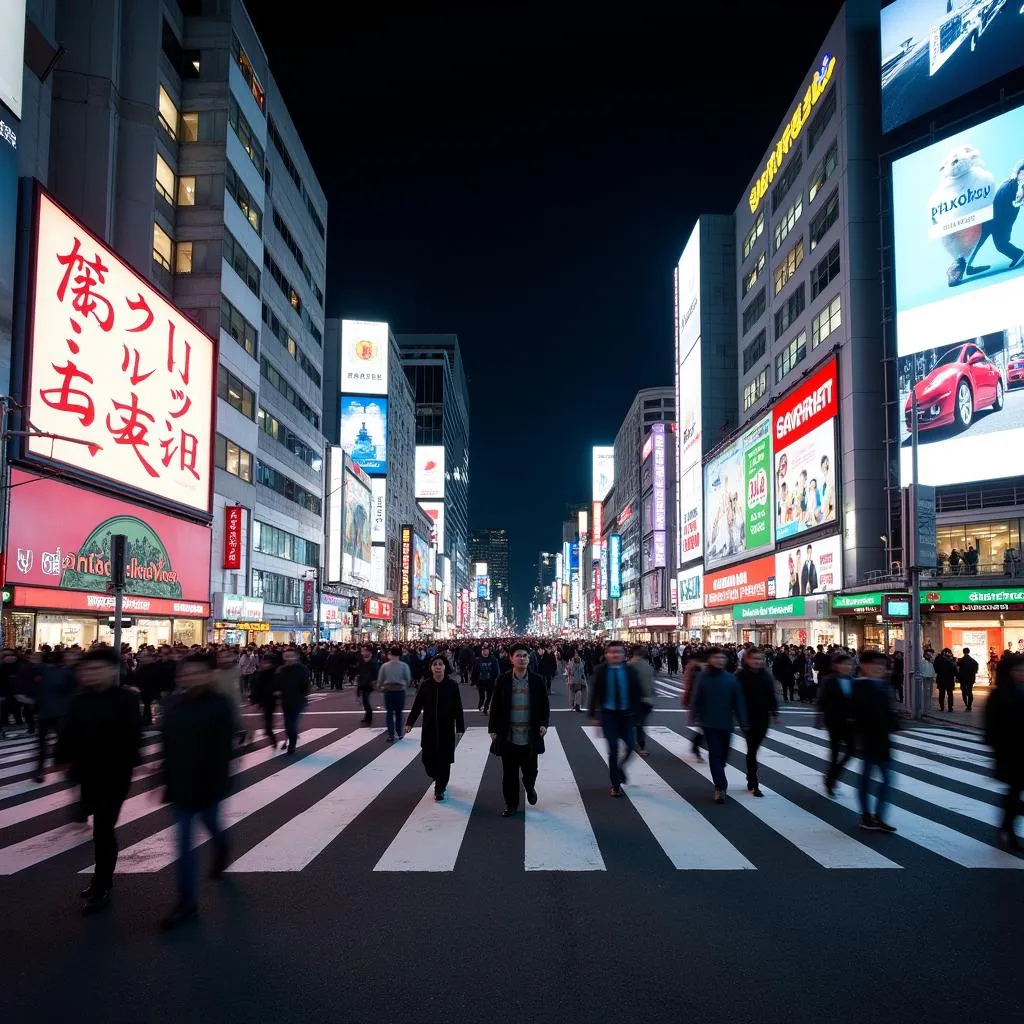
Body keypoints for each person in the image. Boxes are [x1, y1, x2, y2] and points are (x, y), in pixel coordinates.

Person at [54, 647, 142, 916]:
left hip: (114, 776)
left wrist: (128, 764)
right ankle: (99, 882)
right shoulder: (79, 700)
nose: (89, 673)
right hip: (86, 774)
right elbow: (66, 732)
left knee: (103, 830)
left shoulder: (125, 700)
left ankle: (101, 884)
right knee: (97, 830)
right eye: (86, 669)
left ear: (111, 670)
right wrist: (62, 759)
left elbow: (132, 739)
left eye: (96, 668)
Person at [158, 653, 234, 930]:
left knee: (212, 825)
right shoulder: (173, 704)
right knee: (183, 844)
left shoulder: (220, 704)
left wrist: (217, 781)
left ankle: (222, 850)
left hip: (209, 782)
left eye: (197, 672)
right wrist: (163, 776)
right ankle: (186, 901)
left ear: (209, 674)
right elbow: (167, 742)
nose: (191, 677)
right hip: (180, 783)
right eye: (186, 672)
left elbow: (224, 749)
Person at [488, 643, 549, 816]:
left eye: (525, 656)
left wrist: (544, 723)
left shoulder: (537, 680)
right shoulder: (502, 680)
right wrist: (492, 729)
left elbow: (545, 705)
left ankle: (529, 787)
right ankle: (511, 805)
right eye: (518, 655)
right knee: (509, 774)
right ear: (511, 658)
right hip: (509, 735)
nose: (522, 658)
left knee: (531, 771)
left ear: (529, 659)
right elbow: (496, 705)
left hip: (530, 735)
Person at [690, 648, 747, 804]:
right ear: (709, 660)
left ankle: (719, 772)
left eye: (722, 658)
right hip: (709, 723)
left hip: (727, 723)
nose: (719, 660)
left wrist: (743, 721)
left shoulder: (731, 679)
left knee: (723, 756)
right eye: (716, 657)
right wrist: (693, 715)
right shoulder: (702, 677)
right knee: (715, 754)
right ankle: (720, 787)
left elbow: (738, 701)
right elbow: (697, 697)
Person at [405, 655, 466, 800]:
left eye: (441, 664)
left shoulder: (452, 685)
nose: (438, 666)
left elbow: (458, 707)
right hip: (429, 729)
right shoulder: (425, 685)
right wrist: (409, 722)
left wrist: (460, 728)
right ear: (431, 667)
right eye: (435, 664)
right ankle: (435, 776)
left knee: (444, 762)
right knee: (428, 760)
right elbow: (417, 705)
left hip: (446, 729)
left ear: (445, 667)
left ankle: (440, 788)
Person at [851, 650, 899, 833]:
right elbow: (854, 714)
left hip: (883, 740)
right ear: (863, 665)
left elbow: (888, 711)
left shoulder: (883, 685)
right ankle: (866, 815)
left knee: (886, 779)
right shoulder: (859, 686)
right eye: (875, 664)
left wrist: (896, 727)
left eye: (882, 665)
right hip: (867, 739)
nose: (879, 668)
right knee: (867, 778)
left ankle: (877, 816)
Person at [589, 641, 643, 796]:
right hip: (608, 715)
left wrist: (638, 716)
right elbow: (594, 693)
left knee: (631, 746)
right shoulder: (600, 670)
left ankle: (620, 768)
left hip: (626, 715)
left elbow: (637, 694)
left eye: (619, 652)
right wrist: (593, 715)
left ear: (624, 655)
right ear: (606, 654)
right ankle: (615, 784)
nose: (615, 655)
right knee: (613, 751)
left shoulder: (630, 671)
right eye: (612, 652)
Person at [985, 653, 1024, 851]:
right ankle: (1008, 829)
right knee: (1015, 792)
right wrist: (1000, 750)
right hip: (1010, 754)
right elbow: (991, 727)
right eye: (1019, 670)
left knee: (1015, 793)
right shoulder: (1000, 694)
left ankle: (1007, 827)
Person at [736, 647, 779, 796]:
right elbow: (735, 697)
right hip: (747, 718)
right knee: (752, 749)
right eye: (754, 658)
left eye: (760, 659)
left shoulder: (766, 676)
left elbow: (771, 695)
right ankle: (754, 781)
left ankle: (751, 775)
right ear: (747, 659)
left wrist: (775, 713)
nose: (757, 661)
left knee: (754, 748)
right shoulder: (740, 676)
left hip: (762, 717)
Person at [817, 651, 856, 797]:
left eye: (849, 664)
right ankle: (830, 783)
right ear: (836, 665)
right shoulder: (829, 680)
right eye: (844, 664)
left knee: (851, 751)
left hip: (850, 723)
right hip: (834, 722)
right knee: (834, 753)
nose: (847, 667)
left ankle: (832, 776)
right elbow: (823, 701)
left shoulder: (853, 680)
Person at [277, 647, 310, 754]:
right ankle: (291, 737)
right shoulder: (281, 670)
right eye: (286, 656)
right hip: (285, 700)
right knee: (288, 723)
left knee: (291, 723)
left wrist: (302, 694)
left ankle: (292, 744)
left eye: (291, 656)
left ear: (296, 657)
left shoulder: (302, 669)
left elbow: (305, 686)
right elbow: (276, 684)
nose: (289, 658)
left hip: (297, 700)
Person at [377, 646, 412, 743]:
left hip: (388, 691)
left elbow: (380, 680)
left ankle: (391, 734)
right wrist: (405, 686)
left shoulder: (385, 666)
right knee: (399, 713)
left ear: (390, 654)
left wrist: (380, 688)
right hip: (400, 691)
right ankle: (399, 732)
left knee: (389, 713)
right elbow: (408, 679)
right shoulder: (404, 665)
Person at [628, 645, 656, 756]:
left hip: (633, 700)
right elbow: (651, 685)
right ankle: (641, 746)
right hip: (647, 700)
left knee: (629, 723)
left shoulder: (630, 666)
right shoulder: (649, 667)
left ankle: (632, 744)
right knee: (641, 724)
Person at [471, 645, 500, 713]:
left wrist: (497, 679)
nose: (485, 651)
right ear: (482, 651)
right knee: (482, 695)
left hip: (490, 681)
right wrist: (473, 680)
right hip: (481, 681)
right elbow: (474, 671)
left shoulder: (493, 659)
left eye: (486, 650)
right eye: (483, 650)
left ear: (488, 651)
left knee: (489, 696)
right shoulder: (478, 660)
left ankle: (486, 707)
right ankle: (480, 704)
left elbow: (496, 670)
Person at [934, 647, 957, 712]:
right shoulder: (952, 662)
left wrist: (937, 657)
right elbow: (955, 672)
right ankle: (950, 708)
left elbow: (936, 669)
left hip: (941, 680)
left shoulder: (939, 661)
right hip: (949, 680)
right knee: (950, 694)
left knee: (941, 694)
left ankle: (942, 707)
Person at [957, 647, 979, 711]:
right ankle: (969, 706)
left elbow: (957, 668)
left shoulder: (961, 660)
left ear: (963, 652)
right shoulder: (973, 660)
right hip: (970, 678)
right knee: (970, 691)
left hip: (963, 679)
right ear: (969, 652)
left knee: (963, 691)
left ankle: (966, 704)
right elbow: (976, 668)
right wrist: (974, 673)